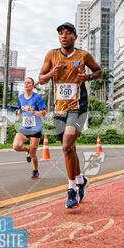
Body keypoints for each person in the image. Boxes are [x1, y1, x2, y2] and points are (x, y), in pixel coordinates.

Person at [39, 22, 102, 208]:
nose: (63, 36)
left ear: (74, 36)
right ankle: (81, 179)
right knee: (69, 148)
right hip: (59, 108)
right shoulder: (52, 55)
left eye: (67, 33)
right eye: (60, 34)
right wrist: (52, 72)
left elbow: (99, 71)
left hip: (78, 106)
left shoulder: (83, 55)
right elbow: (41, 79)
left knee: (67, 144)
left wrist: (88, 77)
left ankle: (71, 188)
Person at [13, 77, 46, 179]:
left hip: (36, 128)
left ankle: (35, 171)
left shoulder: (37, 98)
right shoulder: (21, 97)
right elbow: (20, 108)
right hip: (24, 127)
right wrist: (18, 115)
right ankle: (27, 150)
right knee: (16, 146)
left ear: (32, 85)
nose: (26, 84)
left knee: (33, 153)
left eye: (28, 83)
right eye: (25, 83)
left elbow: (43, 113)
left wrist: (32, 111)